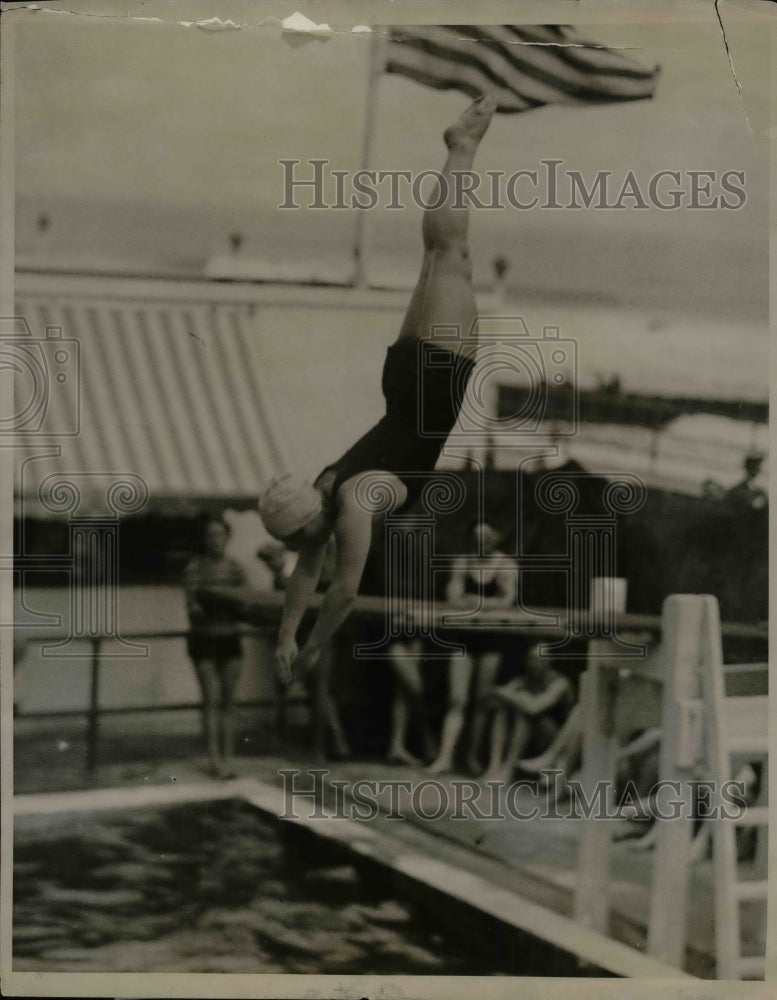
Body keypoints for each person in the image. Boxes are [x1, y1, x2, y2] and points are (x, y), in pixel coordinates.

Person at [258, 94, 498, 684]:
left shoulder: (354, 504)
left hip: (436, 379)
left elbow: (340, 591)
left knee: (453, 256)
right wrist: (285, 635)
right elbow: (306, 575)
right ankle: (459, 151)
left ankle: (462, 149)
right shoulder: (324, 491)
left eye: (300, 542)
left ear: (305, 524)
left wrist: (309, 649)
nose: (305, 551)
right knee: (439, 256)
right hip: (404, 381)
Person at [427, 521, 518, 775]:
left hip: (491, 639)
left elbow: (507, 602)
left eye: (487, 536)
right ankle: (445, 757)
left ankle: (472, 757)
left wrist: (475, 601)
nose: (482, 541)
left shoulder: (506, 565)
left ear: (497, 538)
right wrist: (487, 603)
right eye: (477, 536)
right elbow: (453, 599)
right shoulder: (462, 562)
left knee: (482, 701)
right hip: (464, 637)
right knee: (457, 699)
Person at [183, 515, 248, 778]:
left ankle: (228, 757)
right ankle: (213, 760)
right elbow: (193, 609)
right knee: (210, 698)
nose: (216, 540)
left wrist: (229, 604)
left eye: (220, 535)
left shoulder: (236, 569)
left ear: (228, 538)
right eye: (211, 535)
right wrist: (220, 603)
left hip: (230, 638)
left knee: (229, 702)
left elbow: (246, 604)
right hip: (205, 638)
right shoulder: (195, 568)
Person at [483, 644, 574, 783]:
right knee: (502, 709)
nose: (536, 663)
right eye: (532, 659)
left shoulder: (560, 682)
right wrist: (514, 696)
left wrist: (510, 695)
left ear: (550, 660)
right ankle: (494, 766)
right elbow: (492, 699)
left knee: (526, 714)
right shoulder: (524, 679)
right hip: (532, 741)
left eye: (541, 659)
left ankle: (509, 769)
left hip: (560, 743)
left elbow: (535, 707)